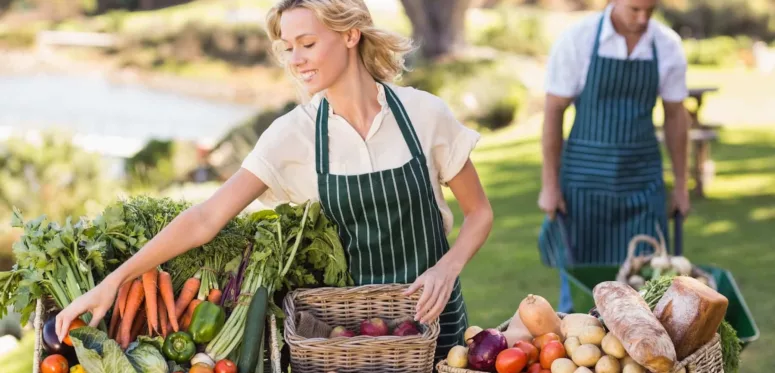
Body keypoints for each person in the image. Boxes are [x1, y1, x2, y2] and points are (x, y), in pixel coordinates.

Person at [55, 0, 493, 361]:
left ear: (349, 34)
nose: (296, 59)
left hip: (435, 326)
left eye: (307, 43)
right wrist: (111, 283)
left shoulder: (423, 115)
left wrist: (446, 268)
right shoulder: (295, 135)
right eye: (287, 48)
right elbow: (207, 216)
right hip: (347, 340)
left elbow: (480, 213)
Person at [537, 0, 691, 312]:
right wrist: (550, 185)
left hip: (642, 182)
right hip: (583, 185)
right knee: (581, 296)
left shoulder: (666, 45)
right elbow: (554, 111)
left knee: (650, 294)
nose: (643, 17)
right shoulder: (577, 40)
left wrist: (681, 185)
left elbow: (675, 116)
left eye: (651, 9)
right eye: (635, 9)